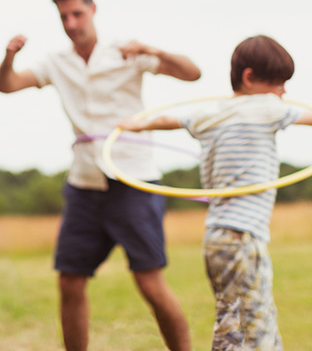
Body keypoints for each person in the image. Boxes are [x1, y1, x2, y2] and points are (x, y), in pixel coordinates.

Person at [0, 0, 199, 351]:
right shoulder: (56, 63)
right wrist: (9, 56)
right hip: (84, 185)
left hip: (134, 181)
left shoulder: (126, 51)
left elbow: (191, 73)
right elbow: (7, 85)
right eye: (63, 17)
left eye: (77, 14)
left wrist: (151, 49)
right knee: (69, 281)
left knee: (150, 284)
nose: (71, 24)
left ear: (93, 9)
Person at [119, 35, 312, 350]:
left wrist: (137, 126)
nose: (284, 91)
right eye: (278, 82)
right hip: (243, 236)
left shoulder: (211, 113)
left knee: (233, 321)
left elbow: (170, 119)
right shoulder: (266, 106)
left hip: (216, 238)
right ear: (249, 78)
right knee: (255, 326)